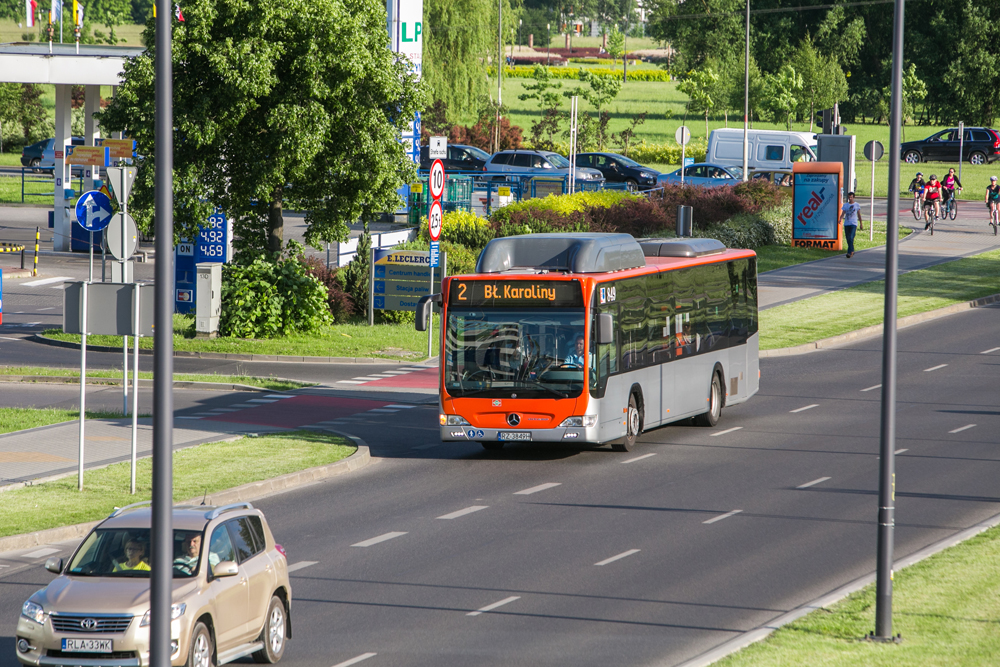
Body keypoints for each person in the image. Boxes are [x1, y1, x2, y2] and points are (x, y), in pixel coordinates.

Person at [841, 192, 863, 259]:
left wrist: (861, 223)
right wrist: (840, 219)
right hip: (847, 223)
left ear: (853, 197)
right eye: (849, 197)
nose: (850, 198)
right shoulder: (845, 205)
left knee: (851, 237)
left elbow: (859, 215)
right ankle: (852, 250)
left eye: (851, 197)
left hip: (853, 224)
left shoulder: (856, 205)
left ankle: (849, 252)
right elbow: (843, 213)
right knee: (848, 239)